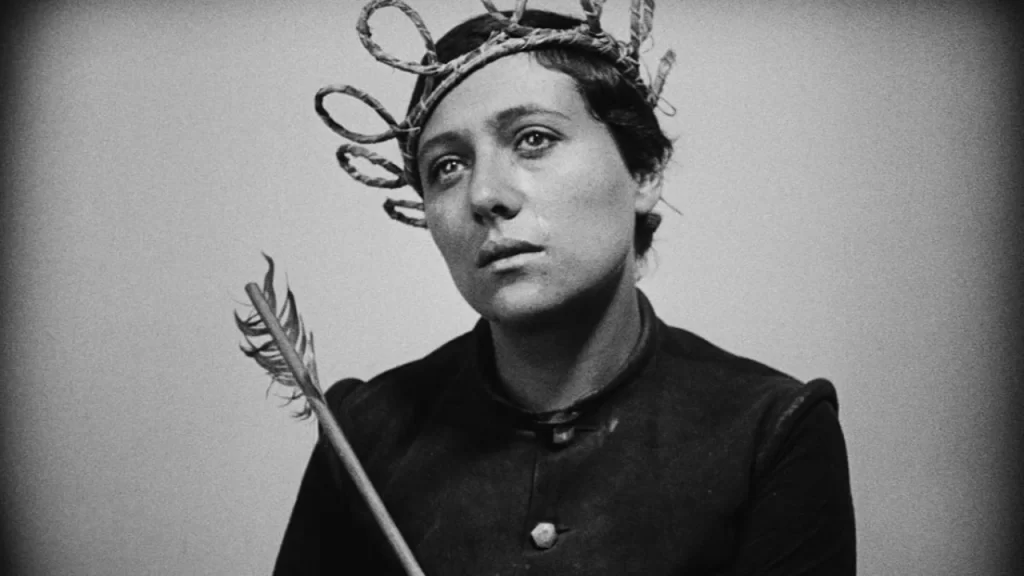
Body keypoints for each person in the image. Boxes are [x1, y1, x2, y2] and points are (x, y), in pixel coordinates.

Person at [274, 1, 856, 574]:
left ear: (643, 171)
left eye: (533, 139)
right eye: (447, 166)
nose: (484, 194)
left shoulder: (770, 430)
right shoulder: (362, 434)